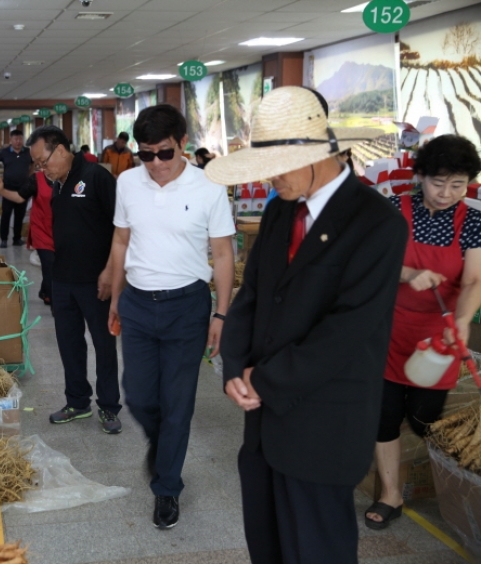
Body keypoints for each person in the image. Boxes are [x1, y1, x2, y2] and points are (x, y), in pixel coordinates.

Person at [205, 86, 407, 564]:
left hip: (322, 425)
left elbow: (348, 330)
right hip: (262, 423)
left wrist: (264, 379)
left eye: (275, 167)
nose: (268, 180)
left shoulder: (376, 223)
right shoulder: (279, 209)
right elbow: (252, 294)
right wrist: (235, 367)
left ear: (319, 156)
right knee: (267, 544)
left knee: (317, 549)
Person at [108, 104, 235, 529]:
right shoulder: (127, 182)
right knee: (140, 397)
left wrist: (221, 313)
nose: (156, 165)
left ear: (183, 145)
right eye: (146, 155)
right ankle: (162, 445)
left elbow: (222, 254)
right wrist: (115, 296)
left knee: (177, 403)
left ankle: (167, 488)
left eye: (164, 153)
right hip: (139, 304)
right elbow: (121, 242)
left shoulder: (209, 187)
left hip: (187, 307)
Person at [365, 135, 481, 530]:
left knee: (422, 418)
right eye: (438, 182)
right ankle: (390, 495)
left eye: (457, 184)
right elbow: (368, 263)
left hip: (439, 337)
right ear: (420, 177)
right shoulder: (393, 210)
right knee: (384, 415)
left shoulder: (474, 222)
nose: (447, 193)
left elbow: (473, 282)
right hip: (388, 329)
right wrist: (408, 273)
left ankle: (433, 479)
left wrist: (463, 320)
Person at [21, 125, 121, 433]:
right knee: (69, 344)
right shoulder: (58, 183)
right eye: (37, 164)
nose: (41, 168)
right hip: (62, 279)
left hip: (95, 280)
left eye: (43, 161)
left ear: (61, 150)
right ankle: (77, 402)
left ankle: (109, 406)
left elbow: (122, 228)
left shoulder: (97, 178)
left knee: (103, 344)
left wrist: (110, 271)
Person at [0, 170, 55, 308]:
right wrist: (2, 190)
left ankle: (45, 290)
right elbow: (20, 198)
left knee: (58, 266)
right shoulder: (36, 179)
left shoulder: (69, 177)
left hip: (61, 230)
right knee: (49, 264)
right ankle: (55, 304)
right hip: (41, 230)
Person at [0, 130, 34, 248]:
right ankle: (4, 239)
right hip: (8, 187)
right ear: (11, 140)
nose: (18, 141)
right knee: (6, 214)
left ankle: (17, 238)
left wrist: (30, 174)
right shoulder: (5, 152)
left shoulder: (27, 152)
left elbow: (33, 163)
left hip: (23, 187)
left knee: (20, 215)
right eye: (15, 139)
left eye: (20, 139)